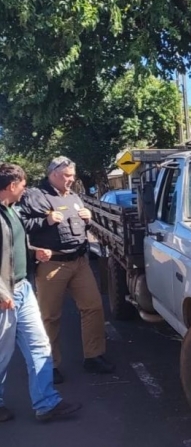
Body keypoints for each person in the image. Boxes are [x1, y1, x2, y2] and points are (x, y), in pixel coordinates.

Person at [18, 156, 114, 384]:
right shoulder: (36, 196)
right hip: (53, 264)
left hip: (80, 261)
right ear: (53, 173)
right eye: (67, 175)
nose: (71, 179)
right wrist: (46, 221)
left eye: (72, 175)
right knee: (50, 316)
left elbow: (80, 225)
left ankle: (93, 356)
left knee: (93, 307)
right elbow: (22, 224)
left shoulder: (72, 196)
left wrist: (88, 219)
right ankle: (49, 365)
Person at [0, 162, 81, 422]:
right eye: (22, 185)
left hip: (22, 289)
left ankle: (46, 403)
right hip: (5, 295)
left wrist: (33, 251)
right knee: (2, 353)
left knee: (40, 345)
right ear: (12, 185)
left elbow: (12, 246)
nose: (25, 191)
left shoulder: (11, 210)